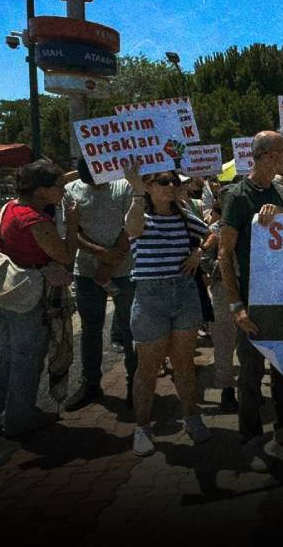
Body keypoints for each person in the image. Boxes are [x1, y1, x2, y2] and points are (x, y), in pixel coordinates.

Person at [0, 160, 77, 438]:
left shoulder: (9, 208)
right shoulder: (36, 220)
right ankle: (19, 418)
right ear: (41, 192)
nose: (63, 190)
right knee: (27, 359)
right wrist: (73, 225)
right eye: (58, 187)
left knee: (6, 355)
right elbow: (66, 255)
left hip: (1, 292)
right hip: (25, 296)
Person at [219, 130, 283, 471]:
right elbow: (223, 254)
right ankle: (251, 439)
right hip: (253, 299)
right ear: (267, 156)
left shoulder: (280, 192)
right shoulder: (238, 196)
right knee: (251, 373)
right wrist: (236, 305)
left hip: (282, 296)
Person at [123, 165, 212, 457]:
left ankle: (191, 416)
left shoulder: (184, 217)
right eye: (163, 181)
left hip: (184, 295)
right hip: (150, 299)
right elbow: (132, 230)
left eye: (174, 181)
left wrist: (198, 253)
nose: (171, 185)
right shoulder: (140, 215)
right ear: (148, 186)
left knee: (184, 364)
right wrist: (135, 190)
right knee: (147, 370)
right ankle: (142, 428)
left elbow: (213, 233)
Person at [62, 159, 137, 411]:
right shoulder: (70, 189)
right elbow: (72, 230)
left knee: (130, 329)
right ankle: (90, 384)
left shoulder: (123, 186)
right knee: (90, 328)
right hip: (86, 271)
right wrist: (100, 253)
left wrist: (110, 262)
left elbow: (132, 227)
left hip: (124, 270)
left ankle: (135, 385)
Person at [203, 197, 240, 413]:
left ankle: (247, 386)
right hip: (222, 290)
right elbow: (204, 260)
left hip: (248, 286)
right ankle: (227, 388)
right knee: (224, 340)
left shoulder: (252, 225)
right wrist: (223, 264)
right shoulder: (213, 231)